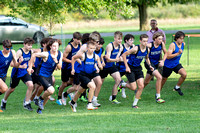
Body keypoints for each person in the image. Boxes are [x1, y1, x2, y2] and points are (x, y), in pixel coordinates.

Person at [28, 39, 63, 114]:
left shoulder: (60, 54)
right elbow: (34, 55)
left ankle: (39, 109)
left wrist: (56, 61)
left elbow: (60, 67)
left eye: (57, 46)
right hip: (41, 75)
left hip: (49, 76)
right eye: (53, 46)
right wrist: (30, 67)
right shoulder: (46, 54)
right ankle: (39, 99)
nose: (55, 48)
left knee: (48, 94)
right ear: (50, 46)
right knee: (51, 90)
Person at [1, 38, 35, 111]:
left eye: (31, 45)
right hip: (17, 73)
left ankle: (26, 103)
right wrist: (21, 65)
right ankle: (4, 101)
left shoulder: (31, 51)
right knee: (11, 89)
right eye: (28, 45)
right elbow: (12, 64)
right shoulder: (19, 52)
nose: (30, 47)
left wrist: (30, 68)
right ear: (24, 44)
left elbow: (30, 61)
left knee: (31, 85)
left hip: (24, 72)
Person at [121, 34, 154, 108]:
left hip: (138, 68)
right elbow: (124, 55)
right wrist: (126, 67)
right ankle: (122, 85)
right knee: (133, 87)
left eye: (147, 41)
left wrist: (150, 65)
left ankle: (134, 104)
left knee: (141, 86)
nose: (145, 43)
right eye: (144, 41)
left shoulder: (147, 49)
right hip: (131, 68)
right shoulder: (135, 49)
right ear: (140, 41)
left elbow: (147, 58)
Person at [69, 41, 103, 112]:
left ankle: (72, 103)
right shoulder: (83, 55)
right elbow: (73, 58)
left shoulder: (96, 56)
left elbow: (100, 65)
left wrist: (99, 67)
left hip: (90, 75)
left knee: (80, 91)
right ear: (87, 48)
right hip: (82, 75)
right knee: (92, 86)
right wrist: (72, 69)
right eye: (90, 48)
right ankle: (89, 104)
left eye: (93, 48)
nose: (92, 50)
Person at [56, 32, 82, 105]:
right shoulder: (69, 47)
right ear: (73, 39)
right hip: (66, 68)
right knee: (64, 84)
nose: (79, 41)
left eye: (80, 40)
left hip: (74, 68)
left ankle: (68, 95)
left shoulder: (80, 45)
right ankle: (59, 97)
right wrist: (72, 61)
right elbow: (63, 58)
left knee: (73, 83)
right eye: (77, 40)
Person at [143, 32, 167, 103]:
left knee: (146, 81)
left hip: (156, 64)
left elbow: (166, 53)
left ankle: (138, 91)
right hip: (149, 63)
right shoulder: (150, 45)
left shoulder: (162, 44)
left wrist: (163, 61)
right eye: (159, 39)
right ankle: (158, 97)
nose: (161, 40)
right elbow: (145, 55)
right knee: (159, 77)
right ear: (155, 39)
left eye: (161, 39)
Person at [0, 40, 23, 112]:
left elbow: (15, 65)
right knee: (4, 88)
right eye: (7, 48)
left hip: (3, 75)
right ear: (3, 47)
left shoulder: (12, 52)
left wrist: (19, 62)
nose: (8, 50)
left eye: (10, 48)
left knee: (2, 90)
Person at [161, 31, 186, 96]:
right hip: (168, 65)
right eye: (180, 38)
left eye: (183, 38)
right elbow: (168, 56)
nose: (182, 40)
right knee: (164, 79)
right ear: (176, 38)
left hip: (176, 64)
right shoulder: (173, 45)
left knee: (184, 74)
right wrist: (178, 53)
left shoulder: (183, 44)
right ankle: (158, 92)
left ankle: (177, 87)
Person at [101, 31, 123, 104]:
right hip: (105, 66)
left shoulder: (121, 47)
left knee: (118, 79)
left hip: (112, 66)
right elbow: (107, 59)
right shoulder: (110, 46)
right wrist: (117, 59)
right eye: (118, 39)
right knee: (99, 83)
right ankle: (89, 94)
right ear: (115, 38)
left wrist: (118, 59)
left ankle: (113, 98)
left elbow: (117, 57)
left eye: (121, 39)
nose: (120, 40)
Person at [116, 34, 135, 98]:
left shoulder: (133, 47)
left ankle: (123, 86)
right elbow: (117, 58)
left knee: (131, 80)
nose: (132, 42)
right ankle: (113, 96)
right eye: (130, 40)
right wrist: (125, 60)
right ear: (126, 41)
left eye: (133, 40)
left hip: (128, 67)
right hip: (120, 67)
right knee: (117, 82)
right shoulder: (121, 47)